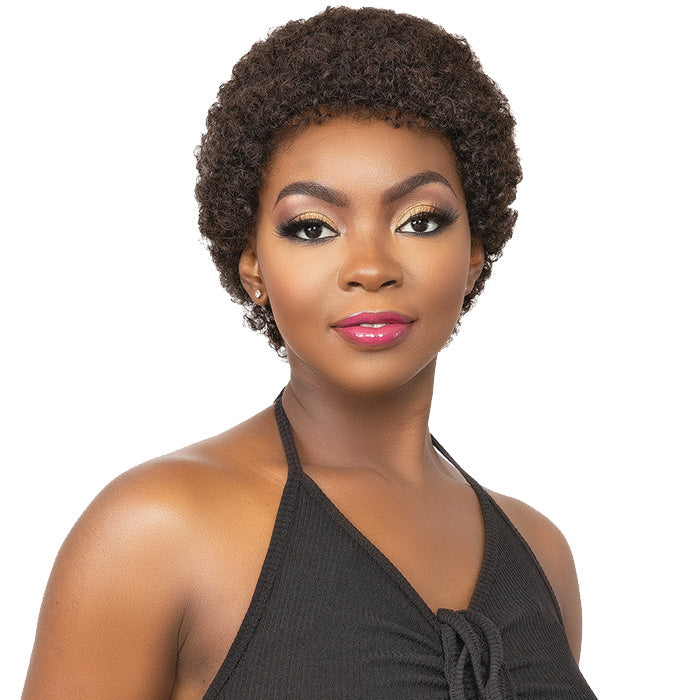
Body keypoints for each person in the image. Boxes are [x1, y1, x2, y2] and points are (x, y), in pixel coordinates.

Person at [22, 7, 596, 699]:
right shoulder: (154, 532)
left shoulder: (541, 555)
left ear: (473, 254)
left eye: (420, 221)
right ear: (253, 268)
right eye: (314, 227)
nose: (371, 267)